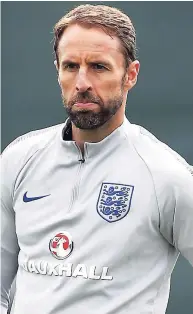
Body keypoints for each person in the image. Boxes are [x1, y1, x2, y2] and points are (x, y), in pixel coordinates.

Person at [1, 4, 193, 314]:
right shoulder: (18, 159)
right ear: (57, 71)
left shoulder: (166, 175)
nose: (82, 83)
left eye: (99, 67)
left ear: (130, 75)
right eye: (71, 66)